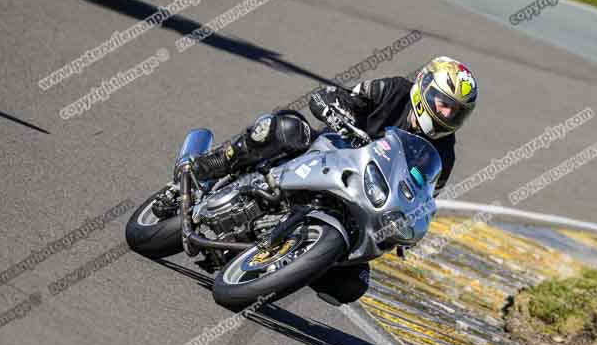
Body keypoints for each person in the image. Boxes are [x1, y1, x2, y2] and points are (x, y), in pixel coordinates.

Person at [190, 56, 479, 305]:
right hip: (331, 155)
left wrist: (409, 223)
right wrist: (335, 107)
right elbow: (343, 97)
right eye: (444, 104)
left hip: (363, 199)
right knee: (286, 128)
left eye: (457, 112)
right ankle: (210, 164)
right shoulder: (394, 90)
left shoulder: (444, 154)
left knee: (353, 283)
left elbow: (425, 193)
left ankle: (289, 262)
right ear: (424, 88)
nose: (447, 115)